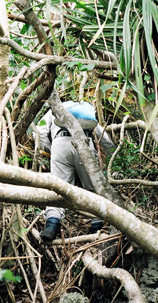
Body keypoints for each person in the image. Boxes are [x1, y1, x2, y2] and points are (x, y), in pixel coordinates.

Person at [35, 101, 116, 242]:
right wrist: (114, 159)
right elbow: (104, 137)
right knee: (92, 187)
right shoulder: (85, 111)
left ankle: (52, 224)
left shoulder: (56, 109)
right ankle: (96, 225)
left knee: (58, 188)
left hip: (60, 144)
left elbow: (40, 131)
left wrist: (48, 149)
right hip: (85, 143)